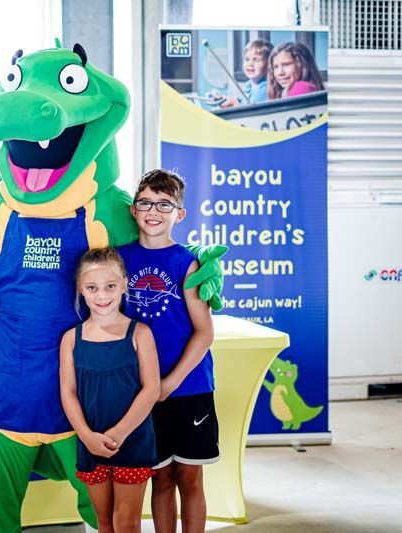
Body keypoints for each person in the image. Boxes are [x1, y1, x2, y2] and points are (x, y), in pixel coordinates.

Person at [117, 169, 216, 533]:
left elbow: (204, 333)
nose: (153, 211)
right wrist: (149, 386)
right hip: (141, 391)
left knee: (189, 478)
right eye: (145, 202)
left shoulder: (187, 263)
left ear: (179, 213)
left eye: (164, 204)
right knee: (158, 478)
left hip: (189, 389)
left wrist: (170, 382)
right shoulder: (119, 259)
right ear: (133, 209)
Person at [59, 247, 160, 533]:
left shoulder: (140, 333)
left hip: (133, 441)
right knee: (104, 522)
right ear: (81, 288)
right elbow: (68, 392)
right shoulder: (71, 339)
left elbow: (151, 389)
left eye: (110, 286)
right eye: (92, 288)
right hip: (90, 443)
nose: (102, 295)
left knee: (126, 523)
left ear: (124, 284)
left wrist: (119, 433)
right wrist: (87, 436)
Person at [220, 39, 273, 108]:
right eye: (247, 59)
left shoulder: (264, 89)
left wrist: (235, 104)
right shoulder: (249, 86)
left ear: (268, 64)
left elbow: (253, 114)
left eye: (256, 60)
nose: (250, 64)